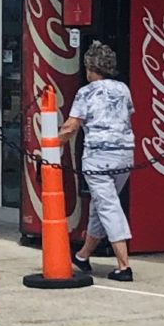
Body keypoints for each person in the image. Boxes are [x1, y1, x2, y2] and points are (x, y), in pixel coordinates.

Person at [58, 40, 135, 282]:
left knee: (108, 206)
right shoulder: (123, 89)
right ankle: (82, 255)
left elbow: (72, 126)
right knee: (100, 205)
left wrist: (50, 143)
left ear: (91, 68)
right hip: (124, 154)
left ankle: (124, 265)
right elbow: (128, 115)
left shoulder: (85, 92)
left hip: (97, 157)